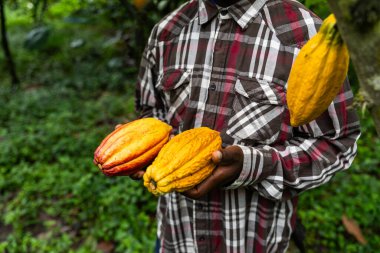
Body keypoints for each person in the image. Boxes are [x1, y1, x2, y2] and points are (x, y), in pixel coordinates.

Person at [132, 0, 361, 252]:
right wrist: (136, 147)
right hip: (176, 235)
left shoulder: (305, 33)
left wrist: (254, 166)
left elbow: (336, 143)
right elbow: (152, 115)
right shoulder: (166, 32)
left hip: (253, 241)